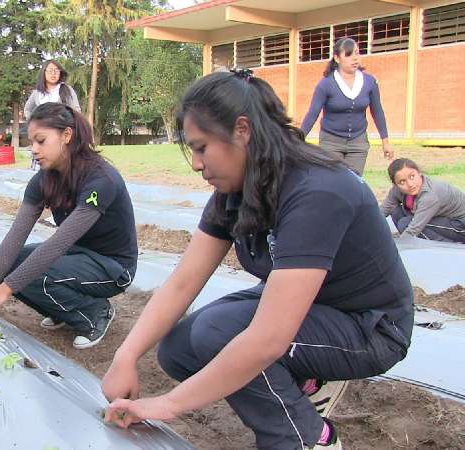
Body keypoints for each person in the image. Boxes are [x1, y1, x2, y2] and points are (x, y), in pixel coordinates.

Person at [100, 70, 413, 449]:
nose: (196, 164)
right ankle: (305, 384)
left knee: (223, 333)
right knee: (179, 348)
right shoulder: (239, 188)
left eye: (201, 148)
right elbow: (183, 282)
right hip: (311, 310)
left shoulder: (317, 190)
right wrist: (126, 355)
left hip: (369, 327)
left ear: (242, 130)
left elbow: (268, 339)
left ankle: (311, 438)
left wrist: (168, 404)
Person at [0, 103, 137, 349]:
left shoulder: (100, 178)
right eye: (31, 142)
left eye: (41, 141)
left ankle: (94, 313)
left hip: (113, 266)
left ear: (67, 135)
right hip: (78, 256)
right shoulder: (43, 180)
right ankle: (61, 308)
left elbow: (57, 244)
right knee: (12, 263)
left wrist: (3, 292)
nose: (33, 149)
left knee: (35, 274)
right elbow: (15, 237)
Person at [301, 37, 394, 175]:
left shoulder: (369, 81)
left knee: (354, 183)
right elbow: (312, 113)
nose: (355, 58)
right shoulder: (326, 84)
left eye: (357, 53)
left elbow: (378, 111)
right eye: (349, 54)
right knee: (333, 182)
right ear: (337, 58)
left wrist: (385, 142)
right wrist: (298, 139)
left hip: (358, 142)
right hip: (331, 142)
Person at [381, 158, 465, 243]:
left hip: (461, 225)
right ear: (395, 184)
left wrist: (398, 247)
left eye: (412, 177)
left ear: (419, 173)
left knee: (405, 224)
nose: (410, 184)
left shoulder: (430, 195)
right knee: (396, 212)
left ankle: (448, 245)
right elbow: (382, 211)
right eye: (402, 182)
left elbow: (413, 230)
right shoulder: (396, 190)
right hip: (442, 219)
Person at [24, 60, 82, 171]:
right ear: (44, 73)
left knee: (62, 164)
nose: (54, 73)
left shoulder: (66, 90)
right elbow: (27, 109)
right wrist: (35, 125)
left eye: (56, 70)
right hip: (42, 136)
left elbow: (76, 111)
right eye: (50, 70)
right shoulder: (37, 93)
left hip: (61, 134)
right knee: (42, 167)